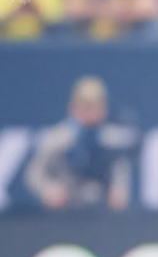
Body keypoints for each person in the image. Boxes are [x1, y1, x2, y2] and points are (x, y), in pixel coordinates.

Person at [25, 75, 135, 211]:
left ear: (104, 108)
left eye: (95, 105)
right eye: (85, 105)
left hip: (100, 210)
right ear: (73, 107)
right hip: (64, 208)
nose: (89, 111)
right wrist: (48, 190)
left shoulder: (112, 139)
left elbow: (120, 168)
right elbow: (34, 172)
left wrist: (119, 190)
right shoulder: (58, 138)